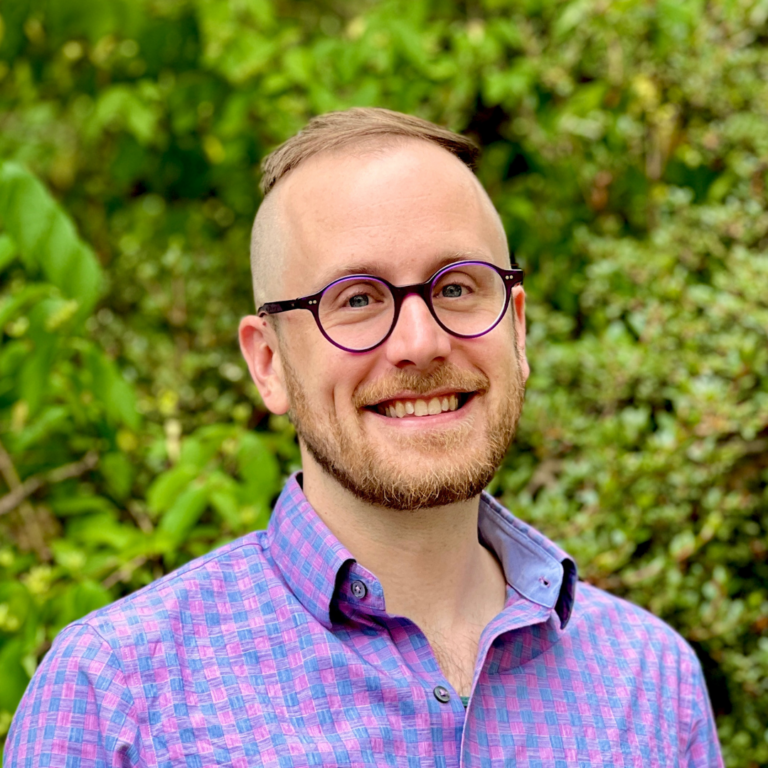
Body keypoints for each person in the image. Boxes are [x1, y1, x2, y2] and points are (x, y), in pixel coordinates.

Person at [6, 108, 723, 767]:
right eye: (356, 299)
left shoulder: (652, 683)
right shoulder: (115, 700)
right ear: (268, 363)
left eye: (456, 287)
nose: (421, 342)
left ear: (519, 328)